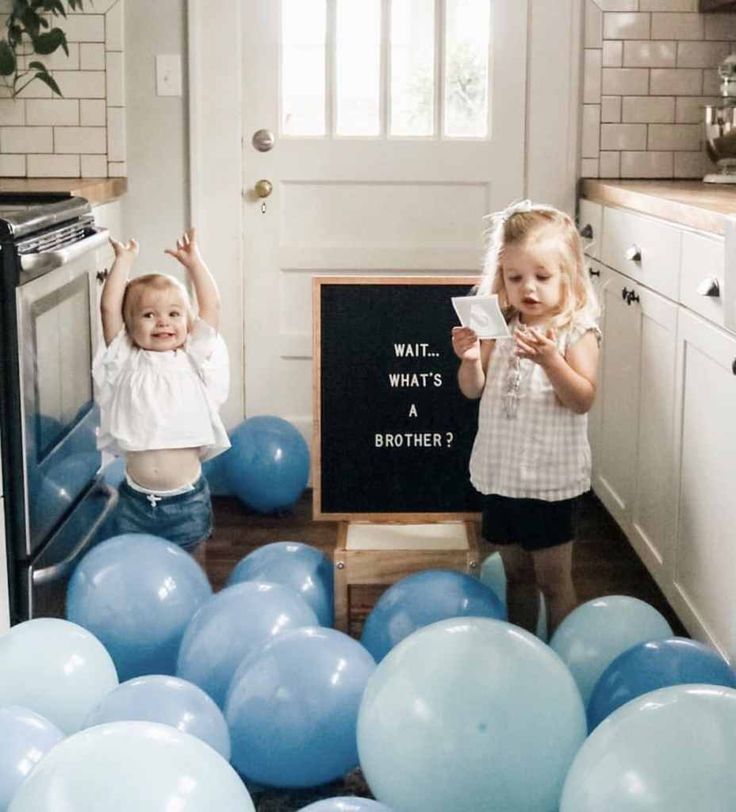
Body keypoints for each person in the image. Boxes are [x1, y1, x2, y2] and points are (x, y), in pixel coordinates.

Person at [451, 200, 600, 635]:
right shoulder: (499, 324)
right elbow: (472, 389)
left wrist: (553, 360)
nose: (528, 288)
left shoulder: (577, 329)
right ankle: (522, 653)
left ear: (567, 276)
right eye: (515, 278)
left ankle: (561, 658)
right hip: (502, 475)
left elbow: (582, 399)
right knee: (516, 576)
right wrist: (471, 358)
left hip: (550, 482)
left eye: (541, 277)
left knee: (553, 582)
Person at [93, 228, 230, 566]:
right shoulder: (125, 358)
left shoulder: (192, 357)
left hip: (187, 501)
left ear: (187, 322)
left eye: (173, 314)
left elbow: (211, 306)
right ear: (131, 323)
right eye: (148, 314)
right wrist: (122, 262)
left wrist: (194, 263)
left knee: (191, 569)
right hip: (135, 501)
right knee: (136, 569)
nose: (162, 322)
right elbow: (108, 310)